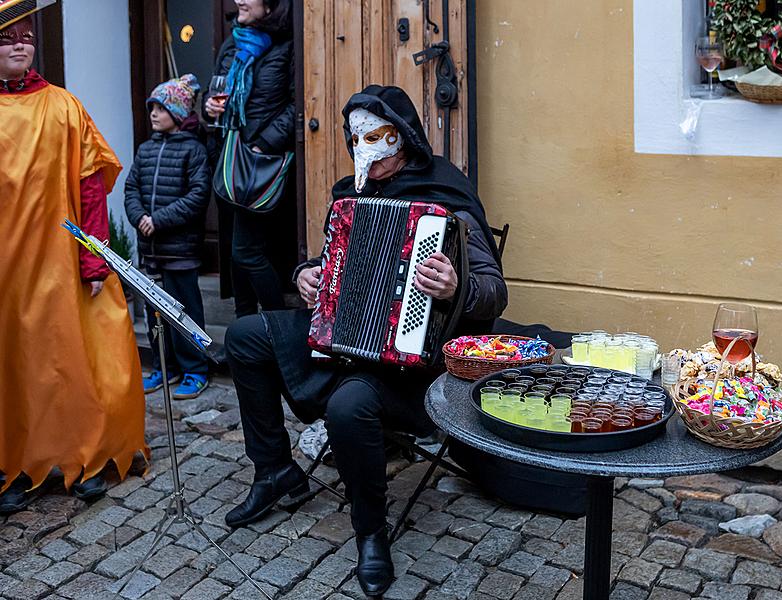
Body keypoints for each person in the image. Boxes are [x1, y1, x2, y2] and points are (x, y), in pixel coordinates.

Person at [224, 85, 508, 597]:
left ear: (404, 139)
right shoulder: (349, 195)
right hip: (344, 336)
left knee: (350, 404)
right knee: (245, 335)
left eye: (377, 137)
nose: (366, 151)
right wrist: (306, 275)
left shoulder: (446, 192)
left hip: (413, 361)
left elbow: (494, 292)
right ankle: (275, 472)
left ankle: (371, 532)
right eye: (357, 139)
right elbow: (329, 264)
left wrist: (455, 287)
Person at [0, 0, 147, 513]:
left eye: (26, 36)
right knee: (21, 367)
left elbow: (90, 190)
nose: (20, 43)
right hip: (8, 270)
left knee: (82, 360)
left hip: (65, 263)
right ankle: (19, 462)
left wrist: (94, 260)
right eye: (6, 37)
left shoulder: (63, 106)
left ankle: (92, 456)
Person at [204, 0, 294, 316]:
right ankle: (245, 330)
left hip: (261, 164)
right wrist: (209, 107)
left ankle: (277, 328)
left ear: (270, 5)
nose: (238, 0)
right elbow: (213, 91)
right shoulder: (234, 42)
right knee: (235, 254)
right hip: (228, 162)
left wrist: (262, 144)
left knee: (249, 252)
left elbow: (297, 106)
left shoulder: (287, 45)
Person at [124, 74, 211, 399]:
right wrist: (139, 218)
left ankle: (195, 369)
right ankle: (165, 366)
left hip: (180, 250)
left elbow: (197, 196)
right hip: (151, 250)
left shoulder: (194, 150)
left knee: (184, 309)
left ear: (177, 113)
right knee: (154, 312)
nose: (153, 114)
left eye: (160, 108)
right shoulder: (145, 150)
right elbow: (132, 188)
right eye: (152, 108)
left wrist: (158, 220)